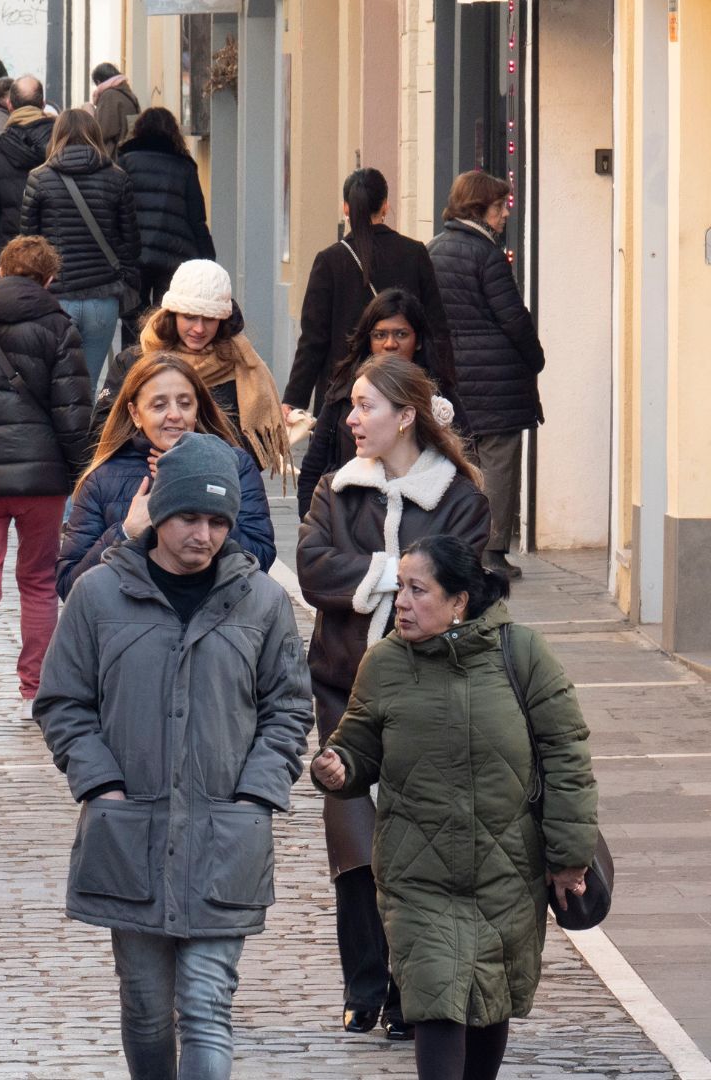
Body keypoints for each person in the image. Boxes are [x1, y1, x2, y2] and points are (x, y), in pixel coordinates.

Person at [36, 432, 313, 1080]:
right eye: (191, 516)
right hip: (129, 836)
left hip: (228, 836)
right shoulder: (100, 597)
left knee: (206, 1004)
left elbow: (289, 710)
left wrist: (255, 795)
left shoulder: (264, 603)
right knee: (146, 1011)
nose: (205, 534)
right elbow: (63, 702)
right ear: (160, 512)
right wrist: (100, 783)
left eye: (219, 521)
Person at [312, 534, 597, 1080]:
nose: (401, 602)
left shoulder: (522, 654)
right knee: (437, 1002)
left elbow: (567, 754)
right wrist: (339, 767)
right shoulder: (385, 662)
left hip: (506, 869)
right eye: (400, 589)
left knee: (489, 1006)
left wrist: (570, 855)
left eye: (418, 590)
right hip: (418, 871)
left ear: (460, 600)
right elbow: (358, 744)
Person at [298, 354, 491, 1043]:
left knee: (420, 846)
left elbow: (461, 585)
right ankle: (364, 985)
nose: (350, 419)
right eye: (350, 405)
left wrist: (390, 584)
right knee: (352, 844)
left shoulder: (459, 498)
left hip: (430, 689)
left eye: (365, 406)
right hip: (341, 690)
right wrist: (397, 574)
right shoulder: (335, 489)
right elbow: (315, 569)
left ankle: (416, 990)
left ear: (405, 416)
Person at [0, 236, 92, 730]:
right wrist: (75, 472)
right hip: (39, 478)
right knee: (38, 582)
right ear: (49, 279)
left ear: (1, 268)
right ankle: (35, 690)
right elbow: (73, 412)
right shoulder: (59, 327)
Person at [59, 354, 273, 597]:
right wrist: (125, 532)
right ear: (136, 413)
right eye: (159, 405)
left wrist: (197, 483)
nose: (174, 414)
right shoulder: (103, 477)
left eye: (184, 403)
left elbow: (260, 559)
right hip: (131, 627)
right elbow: (71, 586)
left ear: (197, 407)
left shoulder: (236, 464)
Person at [428, 170, 546, 580]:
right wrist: (536, 359)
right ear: (479, 208)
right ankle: (492, 551)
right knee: (498, 463)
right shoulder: (488, 254)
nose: (504, 216)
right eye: (499, 207)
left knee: (465, 462)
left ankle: (463, 545)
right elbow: (513, 317)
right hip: (497, 379)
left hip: (455, 376)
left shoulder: (434, 250)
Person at [284, 166, 453, 420]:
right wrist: (444, 391)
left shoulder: (330, 261)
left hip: (345, 399)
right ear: (385, 206)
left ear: (346, 208)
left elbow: (313, 340)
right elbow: (436, 329)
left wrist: (294, 399)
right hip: (405, 393)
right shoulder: (414, 253)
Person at [101, 260, 291, 475]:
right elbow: (103, 430)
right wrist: (153, 456)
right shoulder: (132, 362)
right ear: (171, 315)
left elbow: (252, 454)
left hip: (217, 489)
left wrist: (197, 463)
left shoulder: (244, 366)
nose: (199, 329)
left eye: (210, 319)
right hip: (141, 480)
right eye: (189, 317)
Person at [296, 288, 456, 516]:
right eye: (380, 335)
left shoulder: (439, 395)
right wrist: (312, 526)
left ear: (418, 340)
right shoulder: (343, 391)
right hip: (348, 515)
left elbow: (462, 460)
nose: (390, 344)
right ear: (368, 340)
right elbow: (312, 469)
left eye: (401, 334)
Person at [20, 107, 140, 384]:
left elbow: (28, 243)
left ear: (57, 134)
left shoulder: (39, 177)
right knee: (87, 384)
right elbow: (132, 244)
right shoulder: (117, 177)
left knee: (56, 383)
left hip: (56, 296)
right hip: (103, 297)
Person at [117, 106, 213, 317]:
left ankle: (135, 350)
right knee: (167, 318)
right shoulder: (185, 166)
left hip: (134, 254)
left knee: (134, 317)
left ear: (138, 129)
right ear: (173, 132)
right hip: (175, 253)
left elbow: (116, 208)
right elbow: (197, 217)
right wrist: (208, 257)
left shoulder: (124, 161)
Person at [0, 75, 50, 285]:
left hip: (11, 259)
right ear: (43, 104)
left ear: (9, 105)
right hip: (55, 261)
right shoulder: (61, 145)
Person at [88, 61, 139, 156]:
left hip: (114, 154)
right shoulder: (128, 93)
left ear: (98, 81)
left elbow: (102, 131)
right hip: (129, 151)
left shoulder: (109, 95)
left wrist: (92, 112)